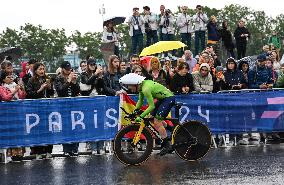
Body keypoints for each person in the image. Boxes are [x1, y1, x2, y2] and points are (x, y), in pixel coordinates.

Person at [119, 73, 175, 156]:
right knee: (152, 118)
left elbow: (151, 106)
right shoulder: (141, 86)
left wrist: (141, 116)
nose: (129, 88)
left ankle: (167, 145)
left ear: (135, 84)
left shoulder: (145, 88)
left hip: (168, 99)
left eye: (130, 86)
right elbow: (140, 101)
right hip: (162, 99)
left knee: (157, 122)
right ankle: (172, 129)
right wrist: (134, 112)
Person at [54, 61, 80, 156]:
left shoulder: (72, 76)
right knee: (66, 127)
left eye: (70, 69)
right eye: (67, 69)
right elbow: (60, 91)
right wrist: (68, 81)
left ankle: (75, 148)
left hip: (74, 105)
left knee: (75, 127)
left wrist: (74, 82)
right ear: (62, 69)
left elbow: (77, 91)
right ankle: (66, 149)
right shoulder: (58, 78)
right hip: (63, 106)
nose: (69, 71)